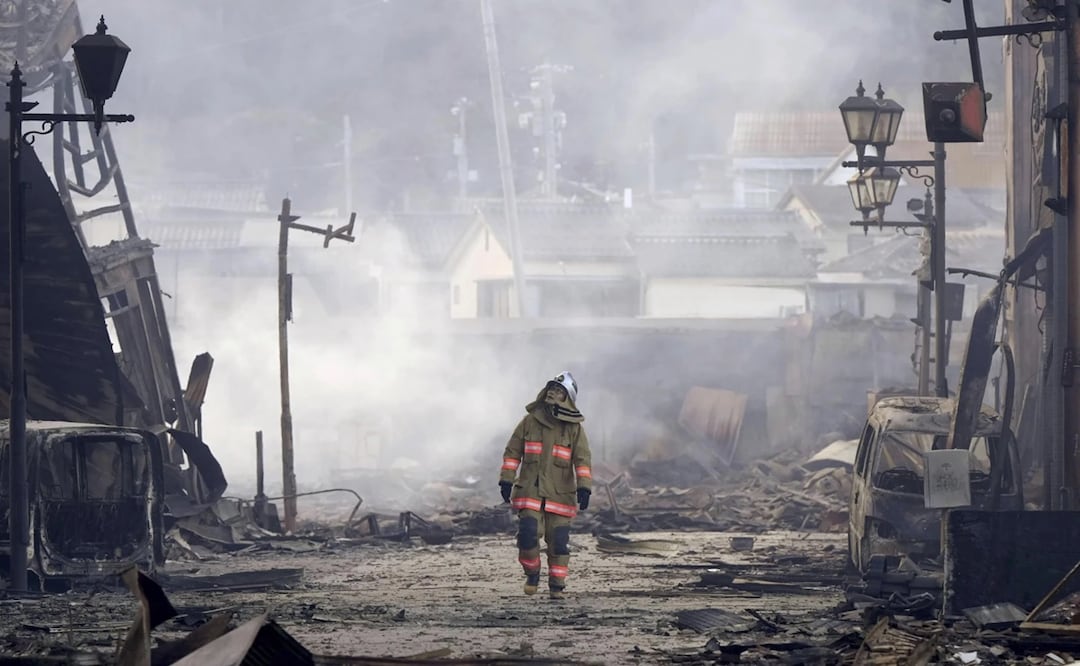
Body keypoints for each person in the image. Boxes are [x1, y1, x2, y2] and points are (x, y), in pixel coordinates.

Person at [498, 371, 592, 599]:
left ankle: (557, 585)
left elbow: (582, 460)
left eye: (558, 391)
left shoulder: (574, 429)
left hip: (560, 495)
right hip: (530, 490)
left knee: (559, 543)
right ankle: (532, 573)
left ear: (566, 398)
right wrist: (507, 479)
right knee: (528, 535)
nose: (552, 392)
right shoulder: (530, 421)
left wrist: (584, 486)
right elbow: (512, 453)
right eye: (551, 388)